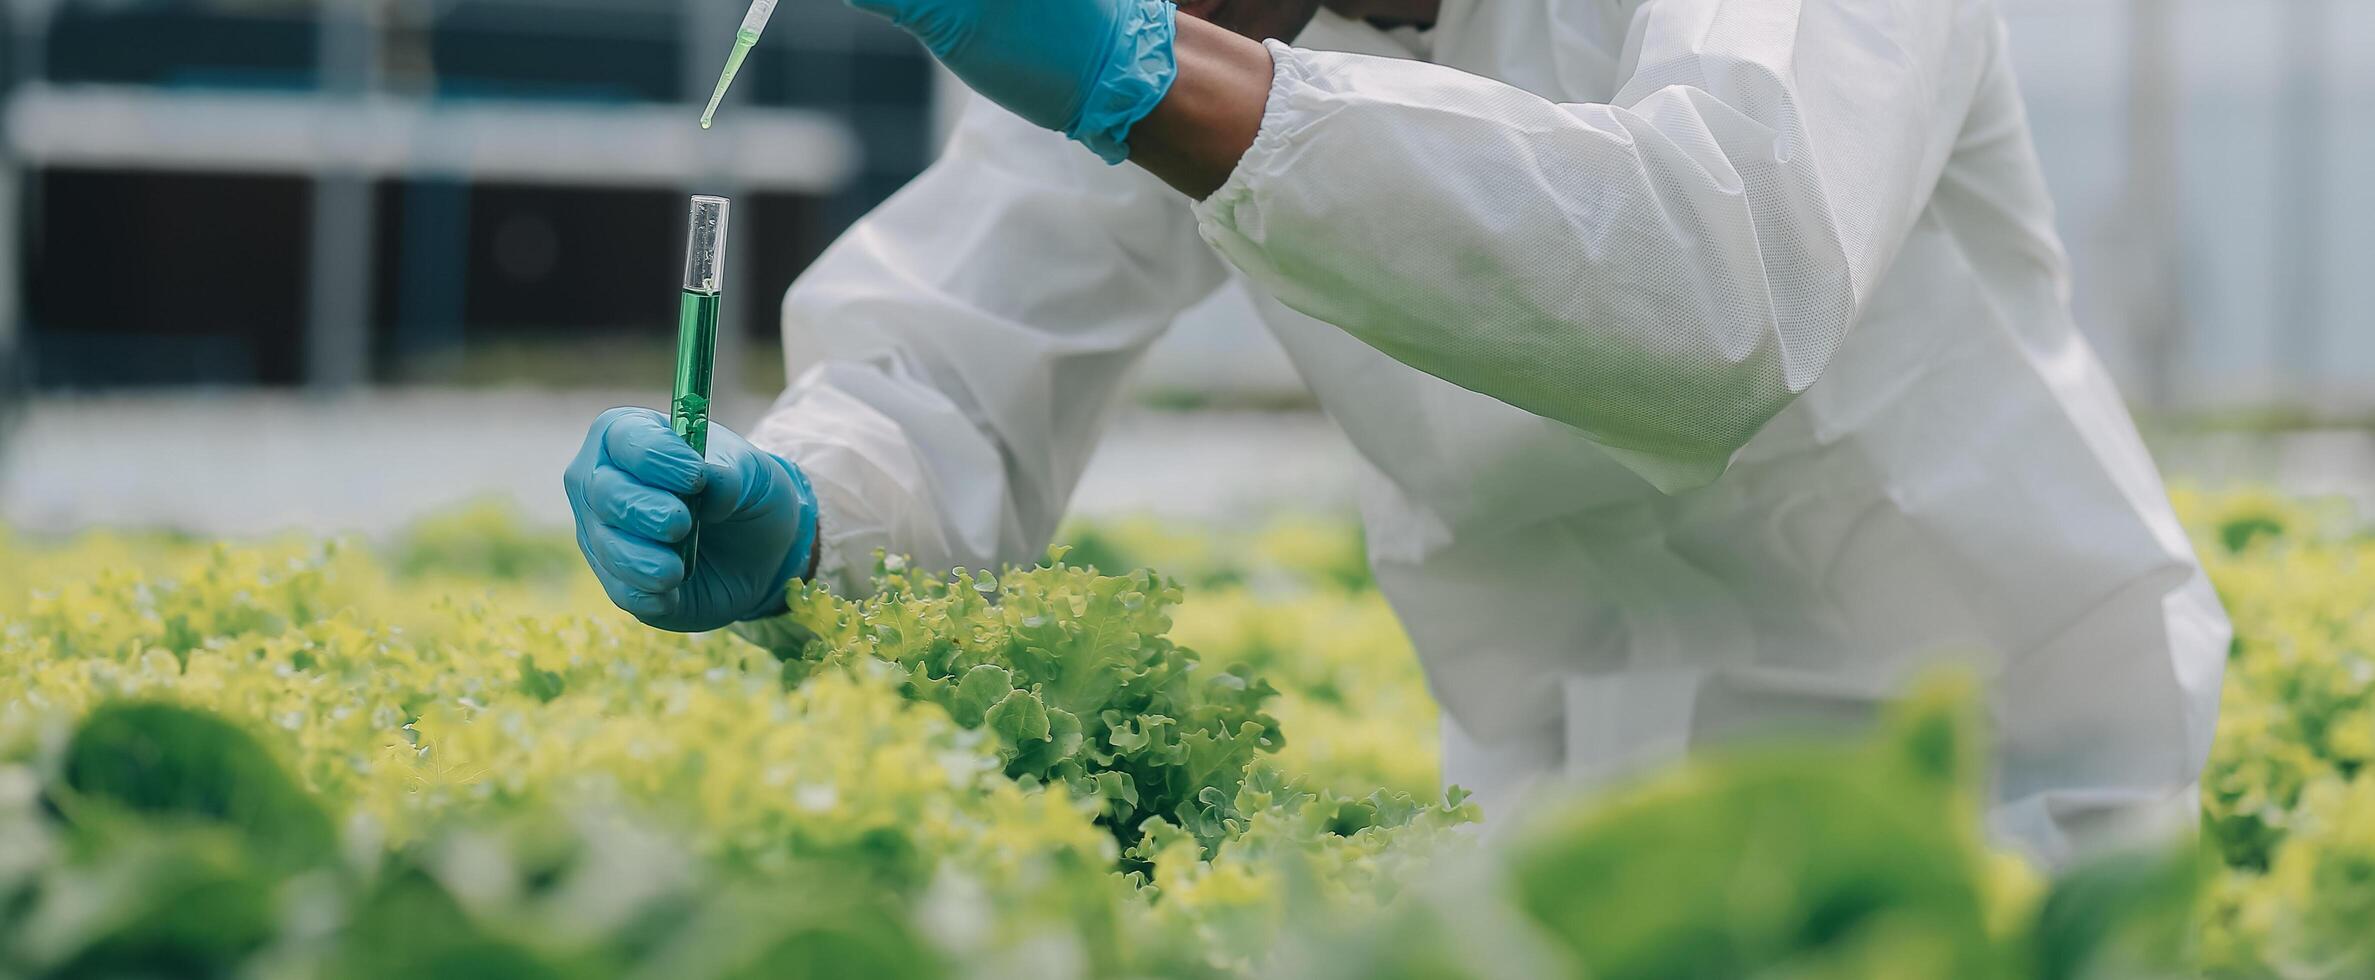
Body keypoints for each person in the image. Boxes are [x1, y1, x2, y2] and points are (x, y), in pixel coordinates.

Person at [563, 0, 2228, 866]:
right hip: (1564, 844)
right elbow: (950, 363)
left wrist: (1156, 85)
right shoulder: (1216, 32)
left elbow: (1716, 279)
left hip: (2000, 816)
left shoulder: (1185, 64)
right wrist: (807, 505)